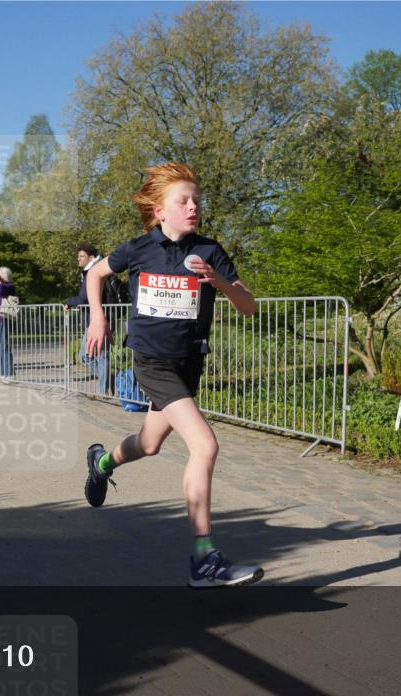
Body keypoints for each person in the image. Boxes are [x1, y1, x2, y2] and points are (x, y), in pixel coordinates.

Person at [82, 163, 263, 588]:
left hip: (188, 362)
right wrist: (97, 319)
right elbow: (95, 273)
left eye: (197, 200)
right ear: (160, 211)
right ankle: (204, 558)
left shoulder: (211, 252)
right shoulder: (140, 249)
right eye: (183, 201)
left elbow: (249, 306)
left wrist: (219, 281)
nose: (193, 206)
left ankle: (101, 461)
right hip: (152, 362)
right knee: (205, 445)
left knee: (150, 442)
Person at [65, 245, 110, 396]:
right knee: (86, 356)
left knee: (99, 355)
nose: (78, 259)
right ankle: (107, 381)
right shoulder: (92, 270)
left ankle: (102, 390)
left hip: (101, 319)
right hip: (94, 319)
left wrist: (69, 301)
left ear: (91, 257)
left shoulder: (95, 270)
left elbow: (85, 296)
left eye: (81, 256)